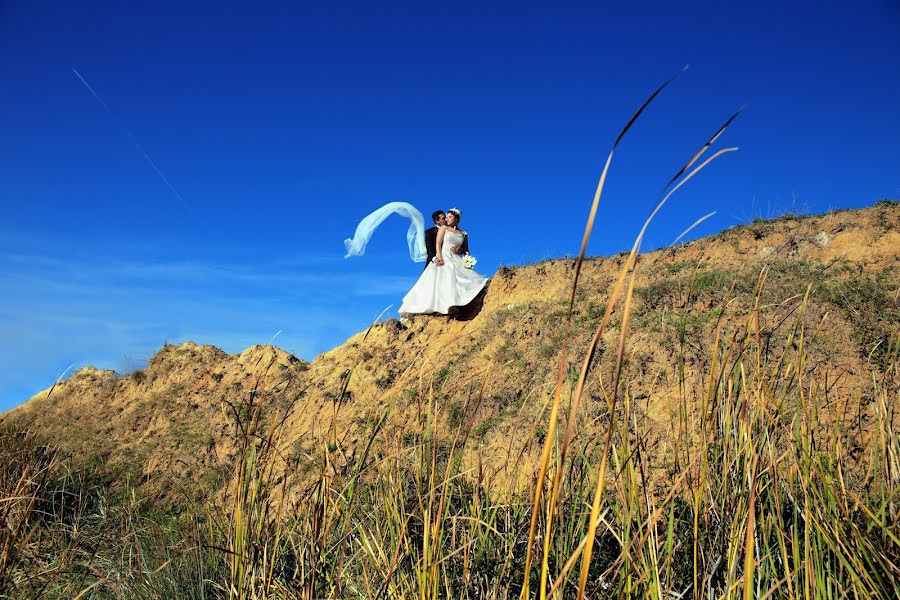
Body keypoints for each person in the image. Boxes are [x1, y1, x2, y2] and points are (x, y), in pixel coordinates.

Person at [399, 208, 487, 317]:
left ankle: (460, 304)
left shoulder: (463, 233)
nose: (447, 219)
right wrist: (439, 257)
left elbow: (466, 249)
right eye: (445, 217)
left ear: (457, 218)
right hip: (443, 257)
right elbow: (437, 244)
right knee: (445, 276)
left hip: (456, 258)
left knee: (463, 279)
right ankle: (444, 307)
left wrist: (464, 256)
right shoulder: (443, 229)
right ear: (437, 221)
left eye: (449, 217)